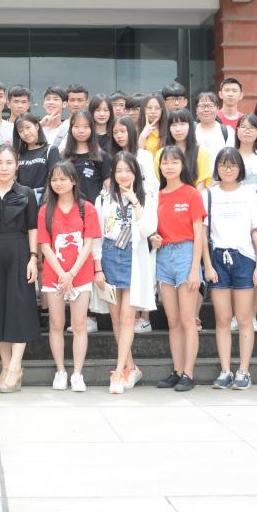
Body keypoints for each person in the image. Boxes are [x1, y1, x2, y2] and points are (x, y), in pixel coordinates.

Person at [0, 146, 41, 393]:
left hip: (19, 251)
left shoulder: (26, 193)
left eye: (9, 162)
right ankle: (5, 365)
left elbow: (33, 227)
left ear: (17, 166)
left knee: (19, 308)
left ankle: (15, 367)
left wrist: (33, 258)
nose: (4, 167)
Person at [203, 148, 257, 390]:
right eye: (223, 164)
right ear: (217, 168)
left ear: (240, 168)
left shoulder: (250, 195)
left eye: (232, 165)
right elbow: (202, 234)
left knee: (243, 317)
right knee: (222, 318)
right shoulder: (208, 195)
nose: (227, 169)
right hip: (218, 258)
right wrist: (207, 264)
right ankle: (225, 370)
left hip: (244, 258)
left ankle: (243, 370)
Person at [95, 152, 157, 394]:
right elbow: (97, 235)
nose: (123, 175)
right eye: (118, 171)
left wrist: (134, 201)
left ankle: (119, 371)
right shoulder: (104, 198)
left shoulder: (146, 197)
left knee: (127, 318)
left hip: (132, 257)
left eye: (128, 171)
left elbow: (147, 230)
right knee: (115, 319)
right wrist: (98, 267)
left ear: (136, 173)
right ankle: (131, 367)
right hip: (109, 255)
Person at [37, 161, 101, 392]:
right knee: (56, 323)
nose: (58, 183)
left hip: (80, 275)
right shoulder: (45, 210)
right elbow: (45, 246)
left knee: (79, 324)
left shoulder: (87, 208)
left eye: (63, 179)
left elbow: (88, 244)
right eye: (54, 179)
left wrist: (71, 273)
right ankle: (61, 371)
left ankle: (77, 374)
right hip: (54, 275)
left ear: (73, 181)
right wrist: (62, 274)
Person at [152, 145, 205, 392]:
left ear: (183, 165)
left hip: (186, 254)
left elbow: (199, 233)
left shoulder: (191, 193)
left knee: (187, 319)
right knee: (172, 321)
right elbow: (152, 228)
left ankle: (188, 373)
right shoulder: (156, 196)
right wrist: (154, 238)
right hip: (163, 256)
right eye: (165, 162)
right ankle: (176, 370)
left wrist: (195, 268)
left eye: (174, 162)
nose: (169, 166)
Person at [153, 108, 213, 189]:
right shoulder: (160, 154)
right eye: (174, 125)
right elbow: (160, 182)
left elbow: (201, 184)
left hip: (194, 195)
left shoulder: (202, 152)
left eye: (182, 124)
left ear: (190, 126)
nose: (178, 129)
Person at [61, 109, 109, 205]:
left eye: (86, 127)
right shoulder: (63, 156)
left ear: (92, 128)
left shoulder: (101, 156)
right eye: (76, 126)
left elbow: (108, 188)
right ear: (71, 129)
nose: (81, 131)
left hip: (93, 208)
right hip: (68, 208)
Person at [14, 112, 58, 204]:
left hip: (43, 200)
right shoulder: (18, 154)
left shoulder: (50, 150)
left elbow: (56, 177)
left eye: (28, 127)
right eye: (21, 131)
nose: (26, 133)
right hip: (22, 201)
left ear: (37, 127)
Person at [109, 115, 158, 195]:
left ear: (131, 131)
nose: (119, 136)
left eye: (123, 131)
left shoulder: (144, 156)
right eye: (115, 132)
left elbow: (150, 186)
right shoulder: (112, 158)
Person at [193, 91, 235, 173]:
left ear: (217, 109)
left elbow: (232, 157)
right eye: (202, 106)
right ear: (196, 110)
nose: (206, 109)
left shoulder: (227, 131)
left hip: (220, 178)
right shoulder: (191, 131)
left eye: (210, 106)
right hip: (195, 178)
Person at [234, 113, 257, 191]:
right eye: (243, 127)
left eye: (252, 128)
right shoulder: (230, 156)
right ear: (237, 130)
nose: (247, 131)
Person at [39, 85, 69, 152]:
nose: (51, 102)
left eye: (55, 99)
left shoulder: (69, 130)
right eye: (48, 99)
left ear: (64, 104)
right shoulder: (36, 129)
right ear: (43, 104)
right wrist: (40, 125)